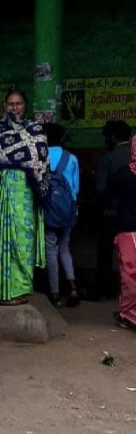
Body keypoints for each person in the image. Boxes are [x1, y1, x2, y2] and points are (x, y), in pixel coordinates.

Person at [0, 90, 49, 305]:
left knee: (21, 237)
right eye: (10, 104)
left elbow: (40, 162)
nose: (14, 108)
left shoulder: (35, 130)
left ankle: (18, 290)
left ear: (25, 105)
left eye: (18, 104)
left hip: (24, 192)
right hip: (1, 189)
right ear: (4, 105)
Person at [44, 123, 80, 307]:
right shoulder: (72, 158)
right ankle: (73, 287)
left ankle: (55, 293)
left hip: (49, 210)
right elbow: (75, 189)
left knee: (51, 250)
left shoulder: (42, 157)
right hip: (68, 210)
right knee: (65, 248)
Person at [96, 121, 133, 298]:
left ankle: (104, 289)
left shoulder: (108, 158)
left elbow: (101, 189)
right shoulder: (133, 155)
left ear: (112, 137)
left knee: (105, 252)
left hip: (113, 213)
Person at [108, 137, 136, 329]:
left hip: (127, 229)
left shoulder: (122, 175)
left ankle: (129, 314)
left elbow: (110, 194)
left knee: (130, 274)